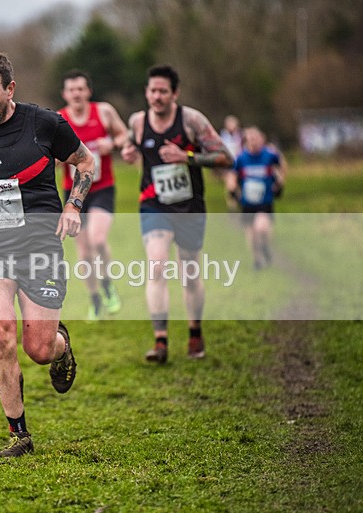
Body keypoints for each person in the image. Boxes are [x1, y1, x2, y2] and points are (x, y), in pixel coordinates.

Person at [0, 49, 95, 457]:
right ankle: (18, 434)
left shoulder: (44, 123)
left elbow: (86, 163)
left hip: (39, 246)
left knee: (39, 350)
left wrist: (73, 205)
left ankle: (60, 345)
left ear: (10, 88)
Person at [121, 65, 233, 364]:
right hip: (154, 204)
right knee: (156, 265)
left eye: (163, 92)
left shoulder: (192, 121)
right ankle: (160, 341)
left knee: (190, 274)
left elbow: (226, 158)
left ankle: (195, 331)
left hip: (189, 206)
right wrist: (129, 152)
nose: (156, 97)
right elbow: (130, 145)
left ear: (175, 93)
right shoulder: (139, 121)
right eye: (152, 91)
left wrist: (189, 157)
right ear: (146, 92)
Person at [58, 70, 129, 320]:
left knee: (98, 239)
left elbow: (124, 134)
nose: (76, 93)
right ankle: (95, 299)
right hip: (75, 192)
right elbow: (51, 156)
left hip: (102, 188)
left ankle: (108, 284)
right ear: (65, 94)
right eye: (71, 89)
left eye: (80, 88)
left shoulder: (104, 112)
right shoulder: (59, 119)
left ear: (88, 91)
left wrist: (113, 143)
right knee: (84, 252)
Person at [225, 126, 285, 269]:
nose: (253, 142)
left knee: (262, 229)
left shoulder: (269, 155)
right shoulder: (241, 158)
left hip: (265, 200)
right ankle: (257, 259)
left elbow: (281, 165)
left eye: (256, 139)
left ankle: (265, 247)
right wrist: (232, 190)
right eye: (250, 139)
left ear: (262, 139)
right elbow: (232, 175)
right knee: (251, 233)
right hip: (247, 201)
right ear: (246, 141)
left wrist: (280, 183)